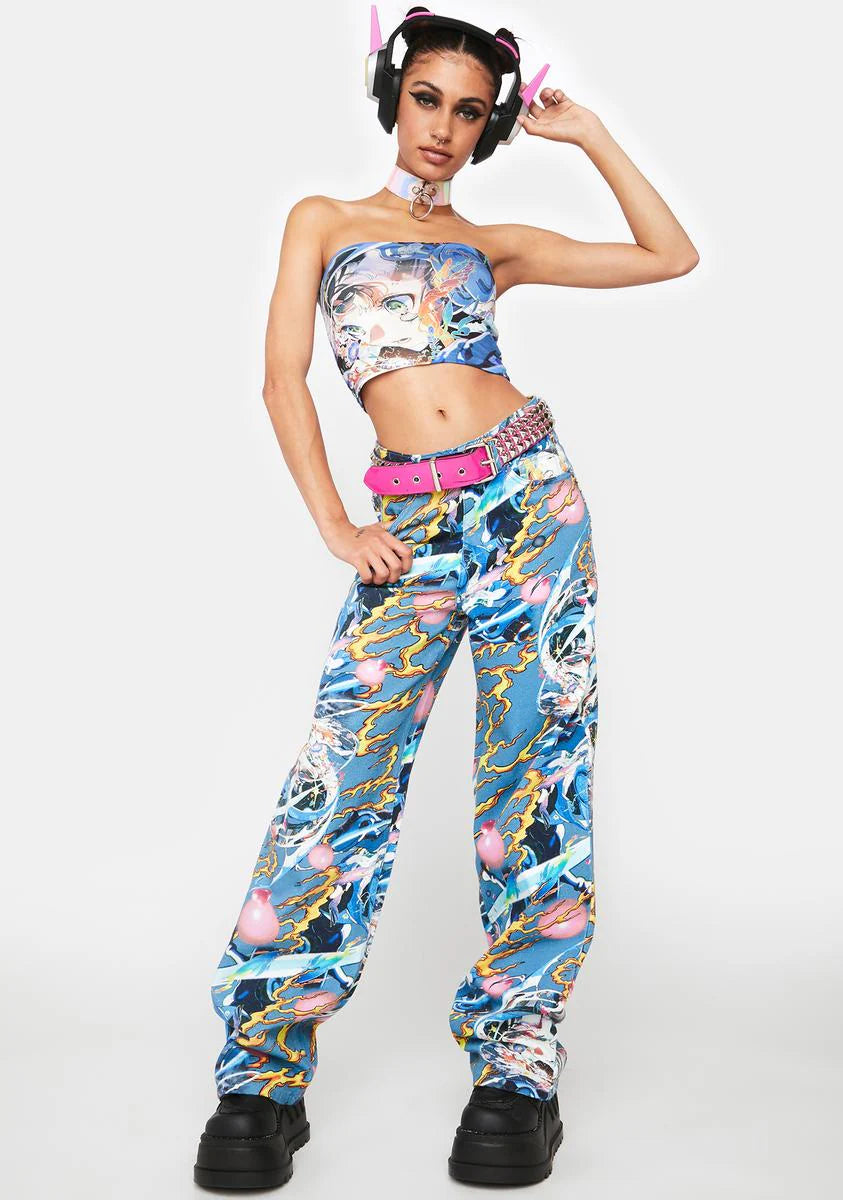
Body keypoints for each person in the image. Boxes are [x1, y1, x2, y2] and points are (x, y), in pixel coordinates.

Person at [194, 5, 698, 1190]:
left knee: (536, 776)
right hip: (405, 528)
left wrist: (590, 134)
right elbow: (282, 379)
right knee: (340, 781)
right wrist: (337, 524)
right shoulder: (324, 221)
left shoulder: (492, 243)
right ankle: (261, 1077)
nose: (444, 127)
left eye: (471, 111)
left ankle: (517, 1066)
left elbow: (668, 254)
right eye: (427, 98)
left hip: (530, 503)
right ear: (393, 96)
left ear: (486, 128)